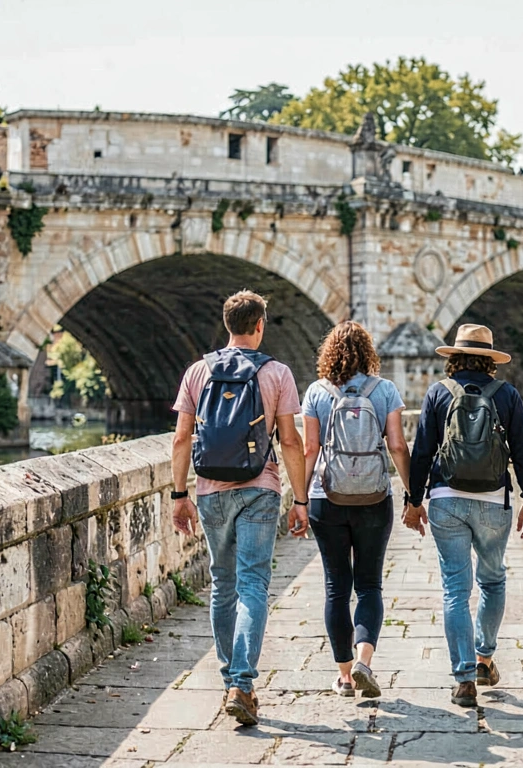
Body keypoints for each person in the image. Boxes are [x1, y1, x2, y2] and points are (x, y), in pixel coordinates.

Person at [171, 290, 310, 727]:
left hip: (210, 491)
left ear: (227, 325)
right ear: (260, 325)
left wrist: (179, 495)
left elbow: (181, 439)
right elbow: (290, 440)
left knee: (221, 583)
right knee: (253, 584)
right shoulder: (277, 373)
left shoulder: (198, 371)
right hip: (260, 488)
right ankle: (243, 684)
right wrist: (300, 499)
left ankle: (231, 676)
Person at [404, 324, 523, 708]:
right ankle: (484, 657)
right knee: (493, 581)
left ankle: (463, 677)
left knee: (454, 590)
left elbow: (422, 452)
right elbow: (521, 453)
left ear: (455, 357)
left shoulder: (438, 394)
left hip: (446, 498)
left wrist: (414, 501)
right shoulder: (507, 395)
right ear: (490, 360)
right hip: (494, 500)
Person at [301, 321, 411, 699]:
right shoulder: (385, 391)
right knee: (369, 584)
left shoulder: (317, 392)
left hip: (325, 496)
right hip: (374, 498)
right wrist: (413, 494)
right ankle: (365, 660)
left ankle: (345, 677)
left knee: (336, 586)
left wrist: (300, 499)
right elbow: (397, 446)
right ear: (369, 353)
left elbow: (309, 449)